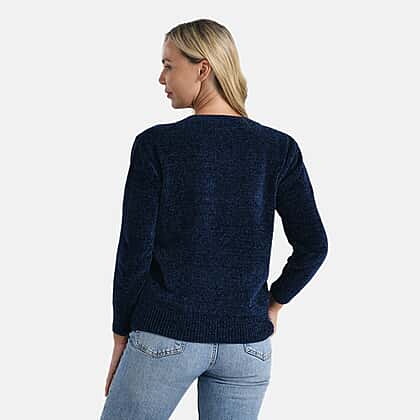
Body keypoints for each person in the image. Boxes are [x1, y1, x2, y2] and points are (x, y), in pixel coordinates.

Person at [100, 18, 328, 420]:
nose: (161, 77)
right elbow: (314, 245)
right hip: (247, 346)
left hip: (166, 333)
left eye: (169, 65)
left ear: (202, 68)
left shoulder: (157, 145)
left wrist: (121, 334)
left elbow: (134, 252)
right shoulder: (278, 149)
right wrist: (273, 304)